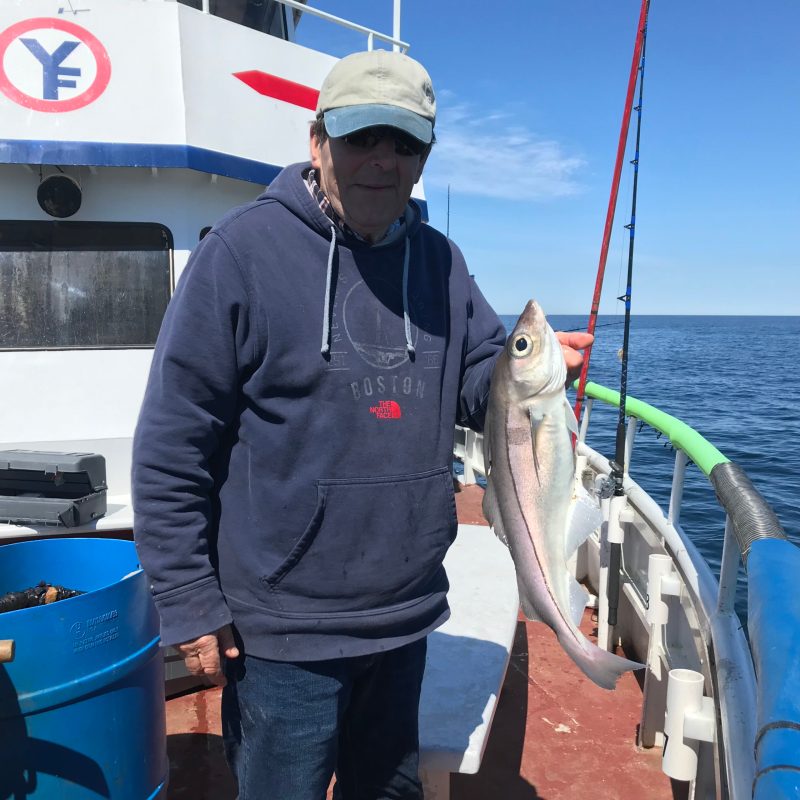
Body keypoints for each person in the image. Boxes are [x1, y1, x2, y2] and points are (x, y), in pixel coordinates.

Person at [132, 49, 592, 800]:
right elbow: (172, 445)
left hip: (403, 613)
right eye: (361, 137)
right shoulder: (239, 256)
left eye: (404, 143)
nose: (382, 159)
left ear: (423, 157)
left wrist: (528, 378)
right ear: (318, 142)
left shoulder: (441, 264)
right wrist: (188, 601)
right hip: (282, 631)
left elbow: (477, 380)